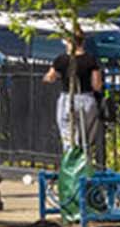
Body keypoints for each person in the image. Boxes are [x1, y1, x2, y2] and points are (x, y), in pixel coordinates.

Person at [43, 29, 104, 165]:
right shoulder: (91, 60)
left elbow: (50, 77)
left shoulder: (62, 59)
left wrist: (52, 76)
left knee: (68, 135)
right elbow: (96, 85)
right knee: (86, 138)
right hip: (87, 99)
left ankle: (71, 164)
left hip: (68, 99)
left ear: (70, 42)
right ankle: (85, 164)